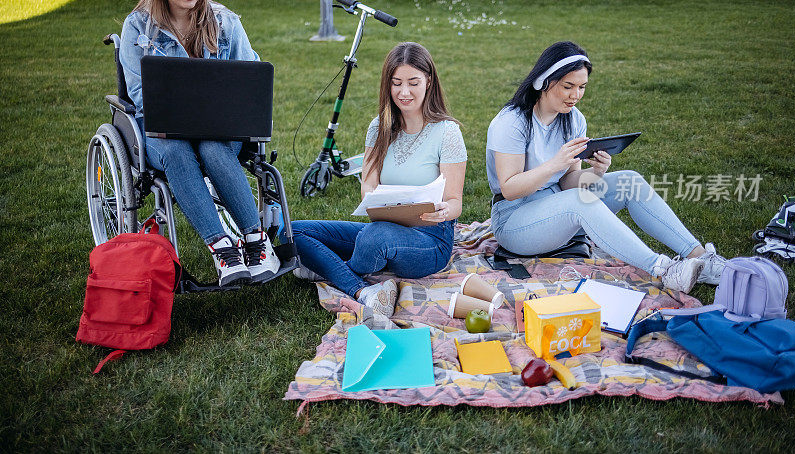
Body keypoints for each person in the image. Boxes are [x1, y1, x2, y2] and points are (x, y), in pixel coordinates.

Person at [486, 41, 727, 293]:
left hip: (558, 204)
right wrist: (553, 164)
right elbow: (510, 188)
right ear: (543, 82)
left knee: (629, 181)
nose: (575, 95)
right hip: (514, 220)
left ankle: (700, 258)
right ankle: (663, 270)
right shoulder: (512, 122)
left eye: (582, 87)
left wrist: (596, 172)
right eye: (568, 87)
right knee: (578, 201)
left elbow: (568, 182)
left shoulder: (574, 119)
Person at [119, 0, 279, 286]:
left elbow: (250, 76)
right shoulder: (138, 27)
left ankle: (256, 239)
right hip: (163, 132)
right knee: (178, 151)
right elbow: (138, 94)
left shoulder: (224, 21)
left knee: (211, 146)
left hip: (218, 129)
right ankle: (222, 248)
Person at [289, 42, 468, 316]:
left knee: (373, 239)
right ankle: (361, 289)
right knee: (293, 229)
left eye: (413, 82)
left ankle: (327, 268)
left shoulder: (447, 132)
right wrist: (373, 199)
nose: (404, 92)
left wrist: (444, 211)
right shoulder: (379, 127)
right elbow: (369, 184)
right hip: (384, 227)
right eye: (396, 83)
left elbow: (455, 202)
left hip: (430, 240)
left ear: (429, 81)